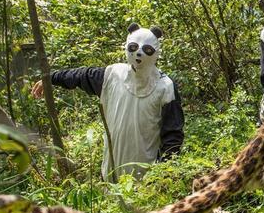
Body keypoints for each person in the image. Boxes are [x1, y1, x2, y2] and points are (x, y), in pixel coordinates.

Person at [32, 23, 185, 181]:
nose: (139, 53)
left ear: (155, 52)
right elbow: (80, 75)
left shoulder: (165, 87)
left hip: (147, 183)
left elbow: (172, 136)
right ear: (127, 46)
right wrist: (50, 78)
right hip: (111, 177)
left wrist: (162, 175)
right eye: (134, 47)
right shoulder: (112, 75)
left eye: (147, 50)